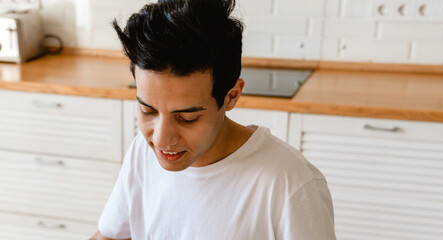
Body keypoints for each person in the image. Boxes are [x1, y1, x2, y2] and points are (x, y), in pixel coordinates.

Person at [91, 0, 336, 239]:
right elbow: (110, 235)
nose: (161, 138)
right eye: (148, 111)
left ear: (231, 96)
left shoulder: (290, 185)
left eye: (187, 118)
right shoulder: (142, 153)